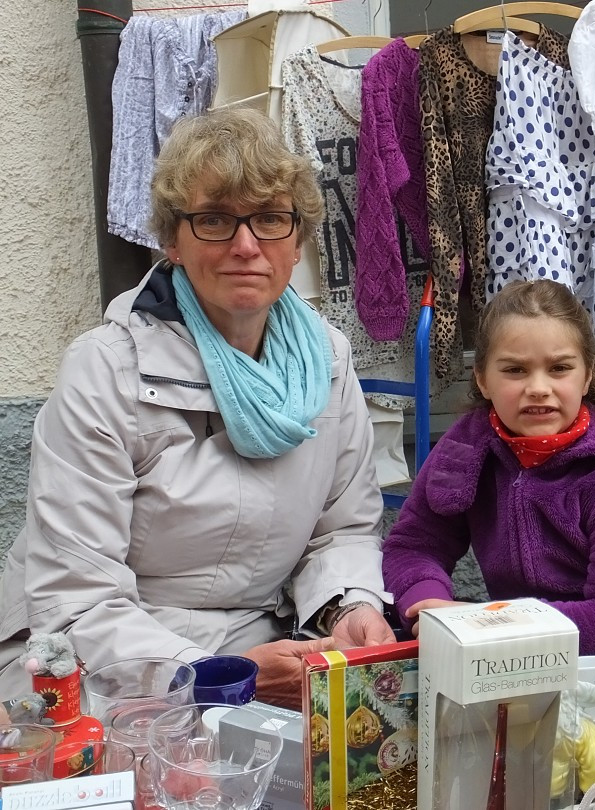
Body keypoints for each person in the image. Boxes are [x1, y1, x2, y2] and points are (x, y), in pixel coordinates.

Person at [0, 108, 394, 708]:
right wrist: (216, 675)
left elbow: (341, 531)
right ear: (172, 241)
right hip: (97, 661)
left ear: (298, 239)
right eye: (214, 219)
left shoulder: (329, 362)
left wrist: (350, 606)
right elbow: (75, 598)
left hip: (265, 646)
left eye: (269, 219)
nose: (245, 245)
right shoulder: (106, 369)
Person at [380, 279, 595, 710]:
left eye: (559, 368)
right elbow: (414, 545)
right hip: (528, 660)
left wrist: (489, 626)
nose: (538, 387)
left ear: (587, 377)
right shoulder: (466, 450)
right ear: (482, 379)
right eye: (515, 370)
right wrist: (426, 602)